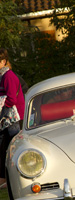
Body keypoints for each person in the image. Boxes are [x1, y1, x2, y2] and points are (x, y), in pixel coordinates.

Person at [0, 48, 25, 188]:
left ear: (3, 61)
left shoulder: (8, 76)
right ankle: (5, 179)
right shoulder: (2, 76)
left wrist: (1, 106)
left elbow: (11, 99)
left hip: (13, 117)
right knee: (5, 146)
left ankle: (9, 178)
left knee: (11, 147)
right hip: (7, 117)